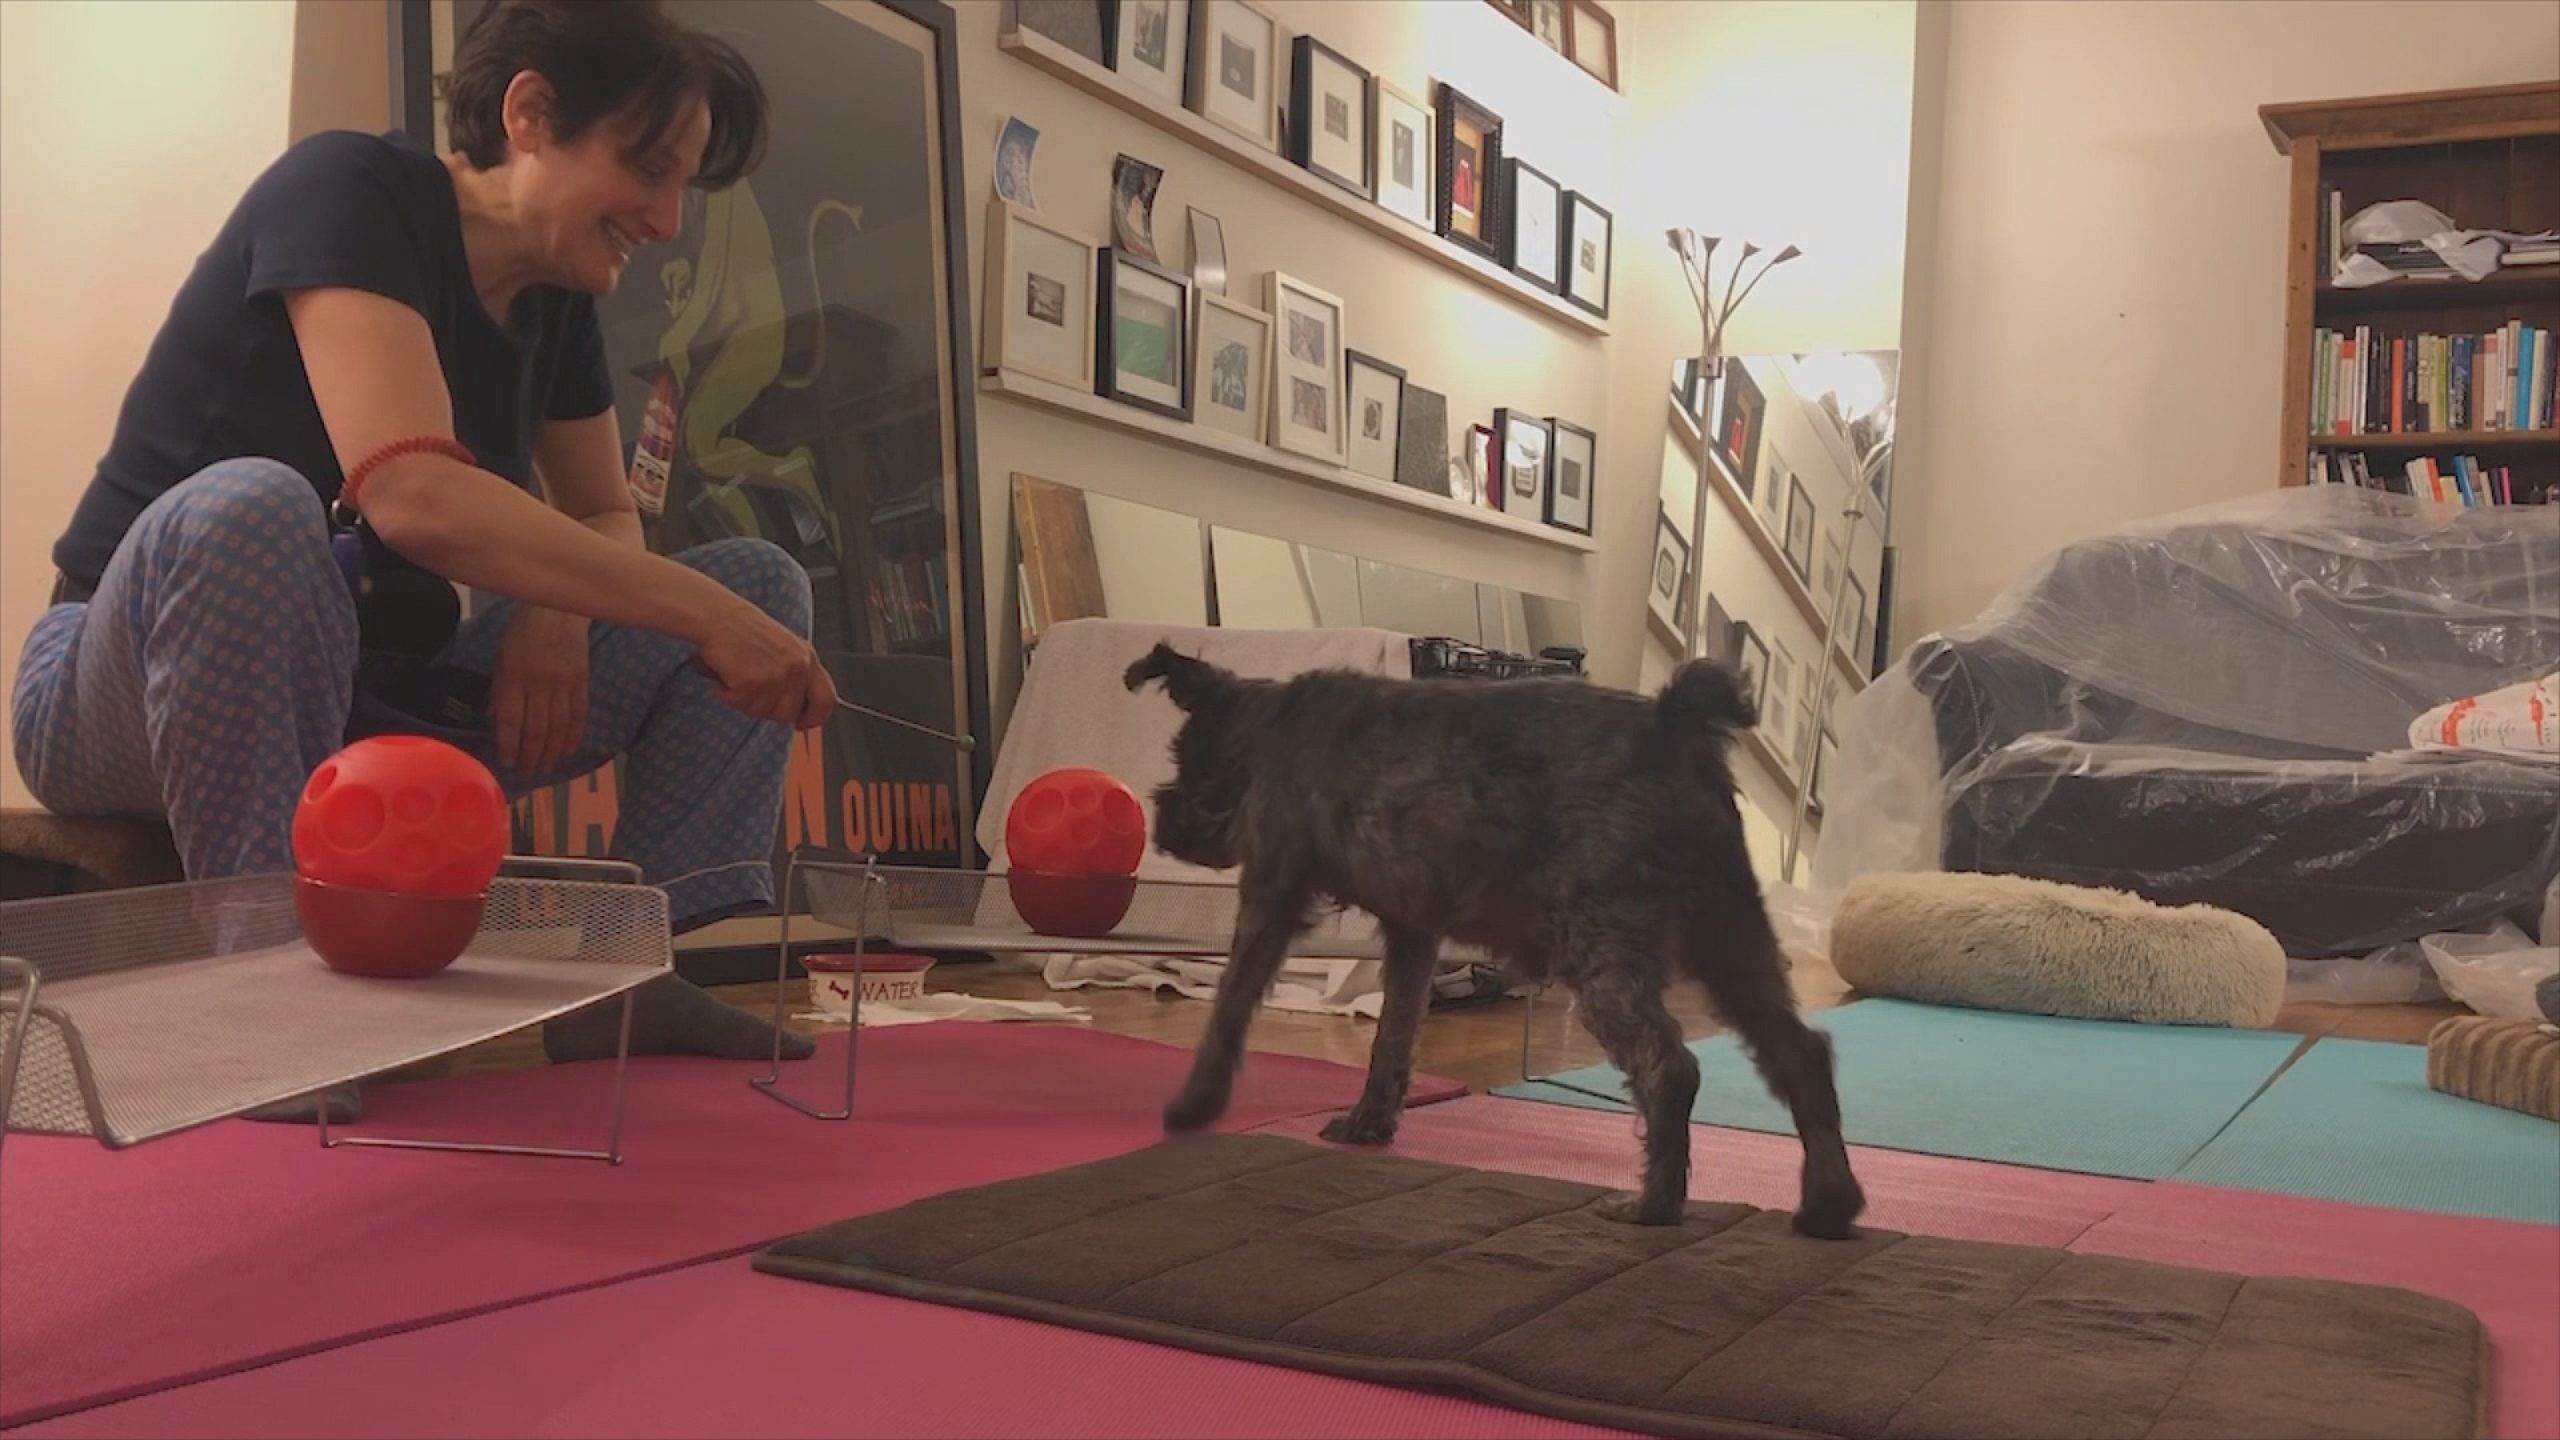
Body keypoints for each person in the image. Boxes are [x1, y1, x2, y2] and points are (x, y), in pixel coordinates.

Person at [10, 0, 842, 1117]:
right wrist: (671, 608)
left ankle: (626, 974)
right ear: (531, 113)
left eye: (682, 184)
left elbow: (603, 511)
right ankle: (263, 980)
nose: (669, 218)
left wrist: (553, 610)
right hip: (110, 678)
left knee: (760, 586)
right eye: (648, 170)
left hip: (372, 692)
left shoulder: (554, 306)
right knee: (260, 506)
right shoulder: (349, 189)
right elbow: (405, 488)